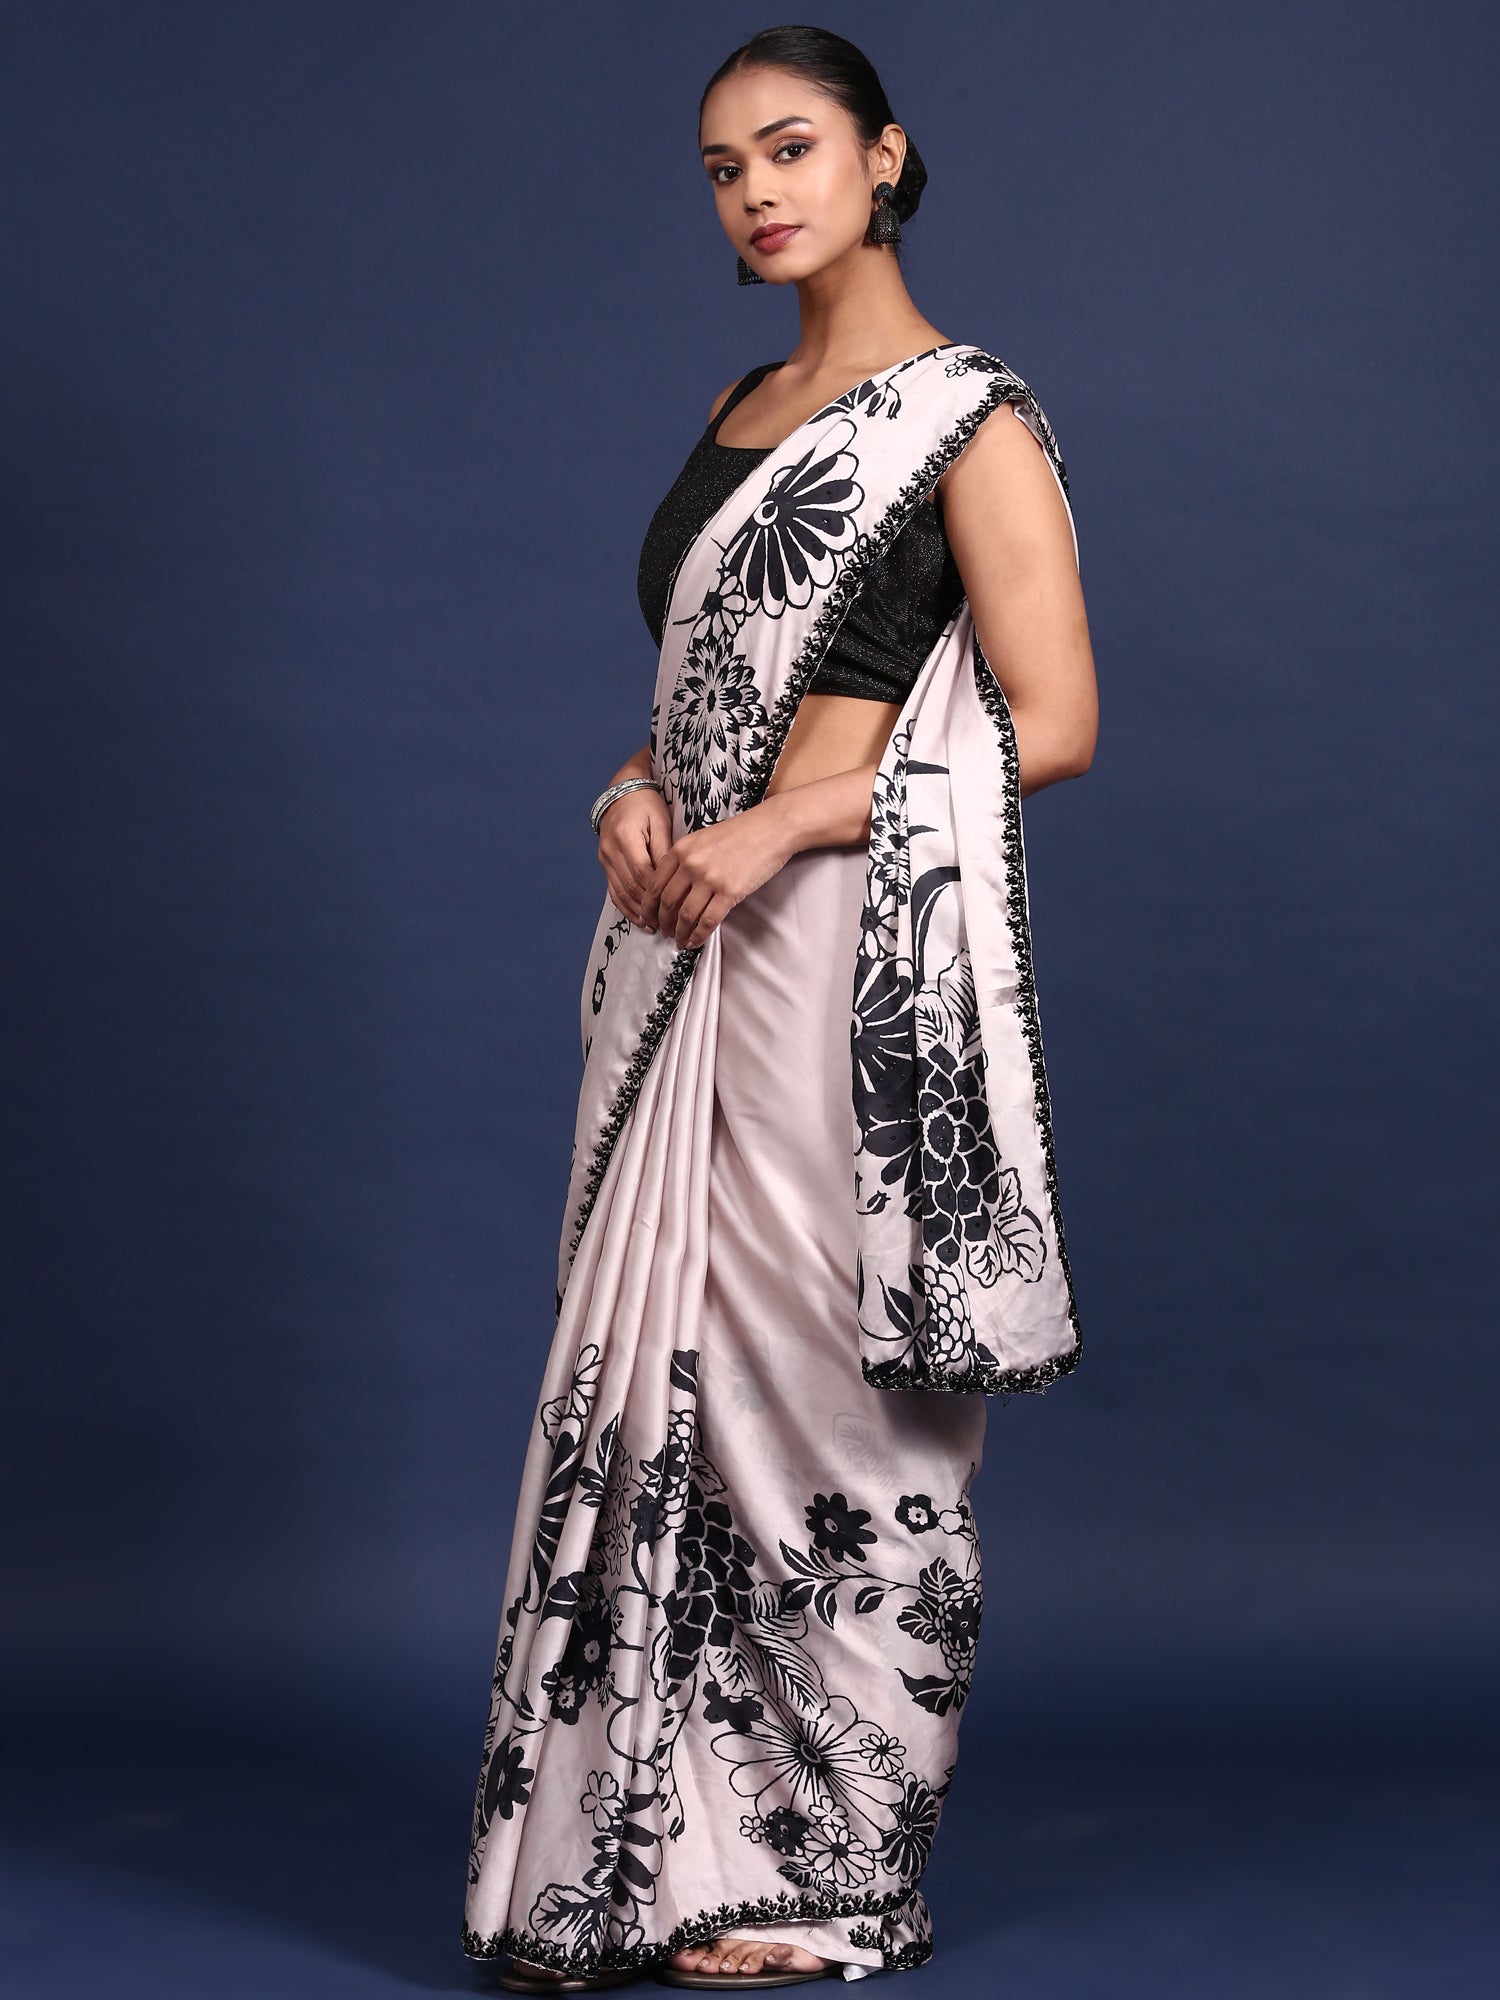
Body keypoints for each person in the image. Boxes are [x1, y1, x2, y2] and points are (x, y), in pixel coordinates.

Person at [462, 24, 1098, 1995]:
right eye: (725, 166)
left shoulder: (968, 416)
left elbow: (1055, 720)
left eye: (794, 146)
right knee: (669, 1387)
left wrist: (783, 828)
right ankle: (661, 1856)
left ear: (885, 156)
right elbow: (681, 718)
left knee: (830, 1399)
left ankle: (837, 1869)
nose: (757, 190)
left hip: (840, 969)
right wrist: (628, 799)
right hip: (678, 952)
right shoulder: (740, 407)